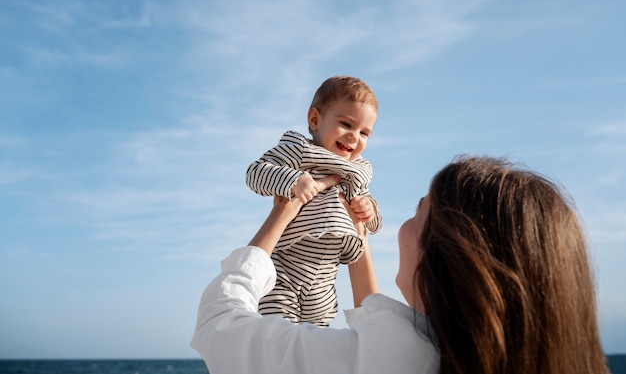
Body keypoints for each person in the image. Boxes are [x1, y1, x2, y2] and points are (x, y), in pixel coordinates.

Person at [191, 155, 608, 374]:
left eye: (418, 209)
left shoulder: (398, 358)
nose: (402, 225)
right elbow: (378, 336)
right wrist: (357, 237)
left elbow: (219, 327)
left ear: (449, 254)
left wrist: (282, 213)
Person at [245, 75, 382, 326]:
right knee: (279, 340)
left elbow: (373, 224)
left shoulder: (357, 171)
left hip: (324, 280)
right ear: (315, 119)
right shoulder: (299, 151)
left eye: (364, 132)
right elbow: (255, 172)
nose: (354, 136)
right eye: (346, 124)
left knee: (315, 345)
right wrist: (292, 180)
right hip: (283, 271)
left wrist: (369, 210)